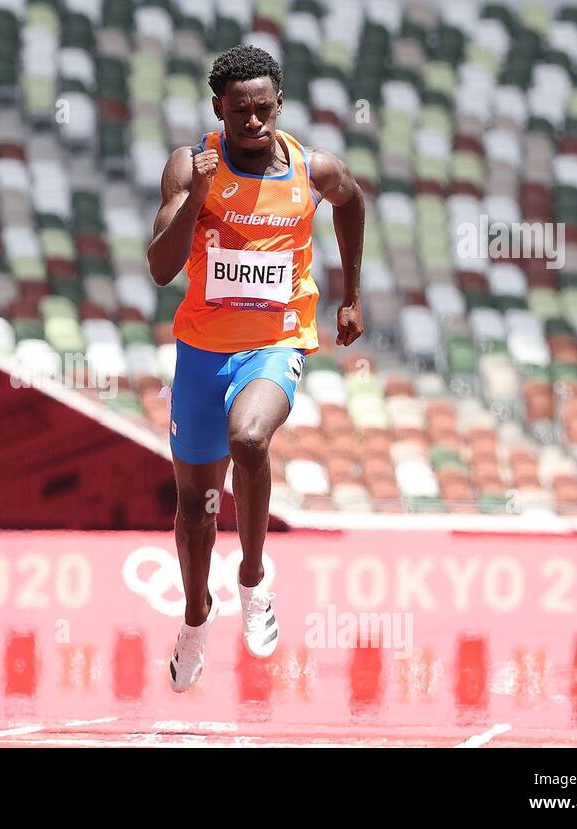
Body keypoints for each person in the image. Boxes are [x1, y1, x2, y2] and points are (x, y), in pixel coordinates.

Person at [147, 45, 364, 691]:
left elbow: (351, 203)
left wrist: (350, 293)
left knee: (249, 437)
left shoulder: (311, 167)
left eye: (263, 109)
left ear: (279, 105)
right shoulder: (191, 165)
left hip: (276, 341)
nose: (252, 122)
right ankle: (193, 619)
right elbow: (160, 267)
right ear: (218, 108)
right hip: (201, 352)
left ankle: (252, 578)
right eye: (238, 110)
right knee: (194, 507)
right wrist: (199, 198)